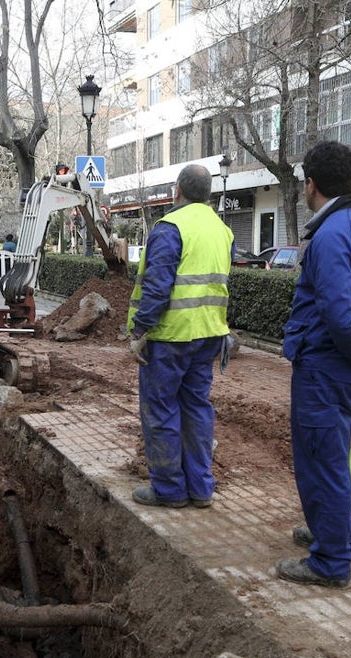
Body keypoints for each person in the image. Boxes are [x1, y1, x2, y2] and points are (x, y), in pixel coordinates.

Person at [276, 140, 351, 589]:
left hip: (326, 367)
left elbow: (340, 315)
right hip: (346, 368)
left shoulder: (332, 235)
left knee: (324, 460)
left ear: (310, 185)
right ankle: (324, 531)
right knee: (329, 456)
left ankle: (331, 560)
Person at [126, 163, 233, 509]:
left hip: (170, 336)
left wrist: (140, 329)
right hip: (209, 334)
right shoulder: (221, 230)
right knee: (196, 409)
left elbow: (157, 287)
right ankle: (201, 488)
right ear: (209, 195)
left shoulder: (170, 227)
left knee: (160, 410)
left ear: (177, 191)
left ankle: (169, 489)